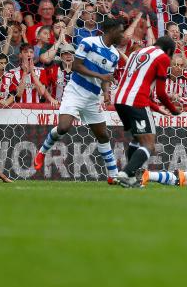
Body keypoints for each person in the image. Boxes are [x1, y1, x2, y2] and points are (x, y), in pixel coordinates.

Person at [33, 18, 124, 182]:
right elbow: (75, 66)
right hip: (76, 91)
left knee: (102, 135)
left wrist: (106, 94)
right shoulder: (89, 42)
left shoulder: (115, 55)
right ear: (112, 30)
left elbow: (106, 78)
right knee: (63, 127)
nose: (123, 35)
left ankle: (113, 175)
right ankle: (42, 151)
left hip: (93, 98)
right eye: (121, 31)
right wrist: (100, 76)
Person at [113, 36, 182, 188]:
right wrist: (173, 109)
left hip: (119, 100)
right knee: (149, 144)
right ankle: (125, 173)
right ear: (169, 51)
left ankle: (131, 179)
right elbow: (161, 93)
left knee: (137, 139)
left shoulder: (136, 53)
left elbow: (134, 85)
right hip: (136, 102)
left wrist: (158, 109)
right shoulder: (162, 57)